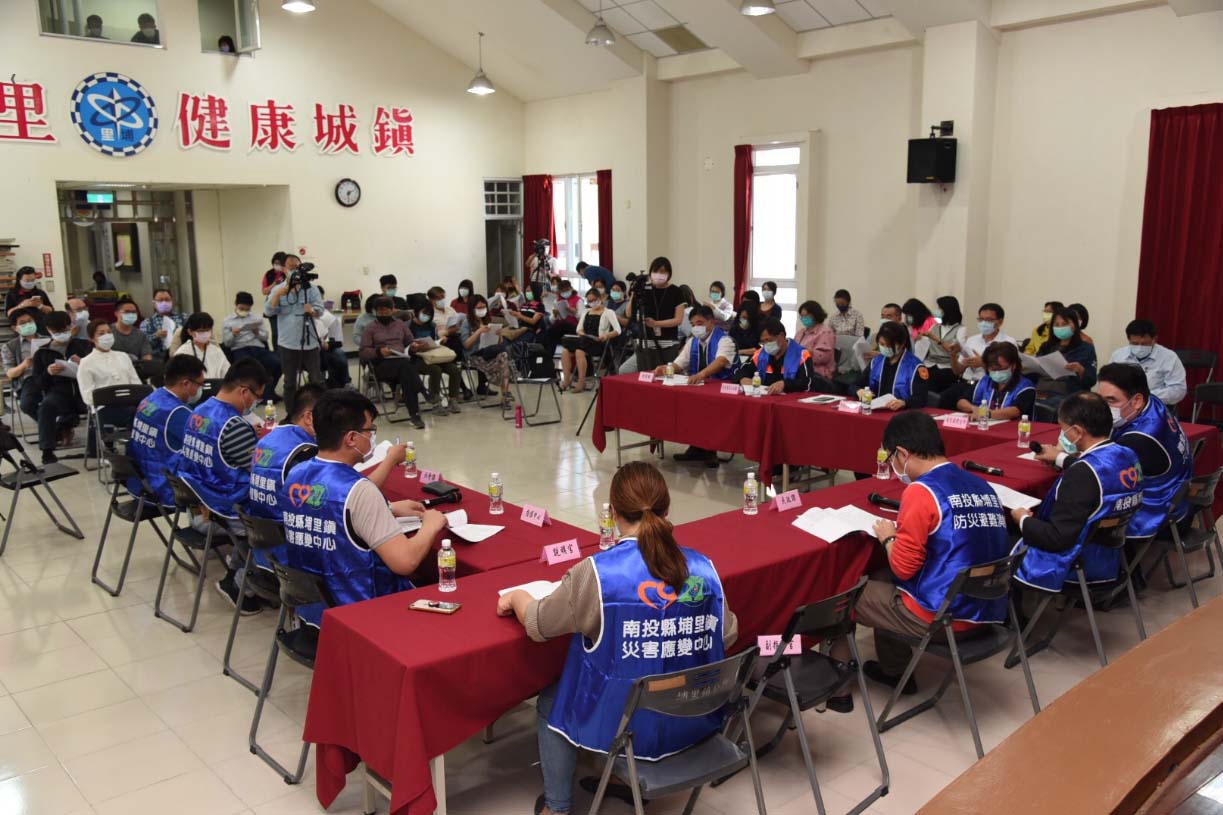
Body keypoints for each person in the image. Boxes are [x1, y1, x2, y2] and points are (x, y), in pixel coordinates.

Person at [497, 462, 737, 815]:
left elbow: (538, 624)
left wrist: (516, 597)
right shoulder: (702, 567)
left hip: (625, 723)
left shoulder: (599, 573)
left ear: (612, 512)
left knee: (552, 700)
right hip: (694, 712)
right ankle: (621, 778)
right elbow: (728, 634)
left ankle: (557, 808)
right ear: (667, 509)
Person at [827, 412, 1010, 704]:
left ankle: (839, 689)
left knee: (847, 592)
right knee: (880, 577)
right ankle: (895, 669)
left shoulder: (922, 491)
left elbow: (903, 567)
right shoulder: (980, 485)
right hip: (986, 609)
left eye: (891, 459)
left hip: (941, 618)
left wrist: (888, 536)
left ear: (902, 453)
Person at [279, 391, 446, 630]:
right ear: (352, 439)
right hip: (362, 615)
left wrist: (386, 508)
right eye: (370, 431)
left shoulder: (295, 473)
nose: (372, 437)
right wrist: (431, 524)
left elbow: (329, 511)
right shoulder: (359, 490)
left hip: (310, 609)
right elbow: (405, 562)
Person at [1036, 363, 1192, 544]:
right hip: (1174, 496)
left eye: (1111, 401)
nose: (1102, 407)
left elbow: (1098, 475)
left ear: (1137, 401)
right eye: (1100, 399)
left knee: (1069, 516)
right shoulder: (1152, 403)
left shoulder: (1139, 439)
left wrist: (1059, 458)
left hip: (1153, 511)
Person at [1011, 392, 1143, 596]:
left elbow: (1056, 538)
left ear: (1077, 432)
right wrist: (1060, 458)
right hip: (1109, 553)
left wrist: (1022, 520)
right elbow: (1101, 472)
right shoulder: (1127, 454)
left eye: (1063, 430)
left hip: (1077, 562)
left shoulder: (1081, 476)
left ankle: (1013, 619)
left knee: (1001, 538)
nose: (1061, 435)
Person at [173, 358, 270, 612]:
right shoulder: (234, 425)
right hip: (230, 504)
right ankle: (241, 584)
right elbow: (258, 473)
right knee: (281, 519)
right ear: (244, 392)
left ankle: (237, 571)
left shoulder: (199, 411)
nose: (255, 403)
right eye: (257, 397)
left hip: (206, 498)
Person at [246, 384, 325, 573]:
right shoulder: (304, 453)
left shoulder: (269, 437)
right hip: (291, 554)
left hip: (263, 543)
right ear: (309, 417)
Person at [655, 306, 737, 467]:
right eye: (692, 324)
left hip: (723, 389)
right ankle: (696, 446)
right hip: (699, 386)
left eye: (699, 323)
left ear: (711, 322)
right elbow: (680, 363)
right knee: (682, 402)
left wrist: (701, 374)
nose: (696, 328)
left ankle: (710, 449)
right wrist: (665, 369)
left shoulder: (725, 340)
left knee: (707, 406)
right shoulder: (692, 341)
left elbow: (720, 362)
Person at [127, 355, 206, 509]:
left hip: (140, 483)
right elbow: (207, 446)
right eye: (200, 385)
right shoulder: (177, 412)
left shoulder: (150, 399)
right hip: (165, 489)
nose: (200, 390)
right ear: (186, 383)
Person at [21, 311, 91, 464]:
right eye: (57, 331)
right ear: (49, 330)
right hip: (59, 392)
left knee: (98, 404)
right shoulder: (42, 353)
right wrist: (48, 372)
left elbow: (97, 370)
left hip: (83, 391)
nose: (61, 334)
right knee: (46, 407)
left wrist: (83, 363)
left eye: (64, 330)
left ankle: (95, 446)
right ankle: (47, 450)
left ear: (70, 327)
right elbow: (38, 383)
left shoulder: (83, 346)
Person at [265, 256, 324, 406]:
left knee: (317, 380)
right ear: (284, 269)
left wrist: (312, 311)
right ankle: (291, 414)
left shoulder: (311, 289)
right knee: (289, 382)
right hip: (287, 342)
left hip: (309, 341)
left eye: (297, 267)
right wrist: (278, 295)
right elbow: (269, 312)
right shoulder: (278, 289)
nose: (294, 271)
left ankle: (320, 410)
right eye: (290, 268)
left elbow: (320, 311)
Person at [359, 297, 427, 429]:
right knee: (406, 367)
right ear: (375, 312)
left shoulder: (400, 324)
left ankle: (415, 416)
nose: (383, 314)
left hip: (401, 363)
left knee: (406, 374)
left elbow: (409, 341)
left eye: (386, 311)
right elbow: (363, 352)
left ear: (392, 311)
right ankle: (423, 392)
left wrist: (414, 346)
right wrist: (379, 352)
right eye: (379, 311)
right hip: (381, 366)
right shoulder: (370, 328)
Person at [77, 320, 142, 455]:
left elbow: (136, 384)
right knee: (132, 415)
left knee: (144, 414)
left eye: (109, 332)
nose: (106, 336)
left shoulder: (123, 356)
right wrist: (109, 397)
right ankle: (130, 453)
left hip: (128, 404)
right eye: (101, 333)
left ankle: (137, 452)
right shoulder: (86, 362)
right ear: (91, 338)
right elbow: (88, 395)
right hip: (104, 408)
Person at [943, 303, 1017, 409]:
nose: (984, 323)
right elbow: (957, 371)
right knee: (944, 399)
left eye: (989, 320)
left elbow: (1010, 372)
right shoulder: (972, 340)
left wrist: (983, 364)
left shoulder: (1008, 342)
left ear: (1000, 322)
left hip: (988, 387)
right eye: (981, 319)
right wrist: (953, 355)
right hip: (966, 382)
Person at [626, 257, 686, 372]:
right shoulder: (645, 290)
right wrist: (634, 293)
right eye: (655, 271)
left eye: (663, 271)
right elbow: (629, 314)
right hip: (645, 342)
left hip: (668, 343)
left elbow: (678, 320)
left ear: (669, 273)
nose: (659, 274)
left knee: (666, 377)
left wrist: (656, 323)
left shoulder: (676, 291)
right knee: (645, 377)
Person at [1107, 319, 1187, 406]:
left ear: (1154, 339)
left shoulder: (1169, 357)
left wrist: (1146, 396)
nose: (1139, 347)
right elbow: (1108, 382)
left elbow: (1178, 389)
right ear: (1128, 339)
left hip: (1156, 405)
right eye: (1135, 343)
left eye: (1144, 344)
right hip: (1123, 405)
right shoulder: (1118, 355)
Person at [1034, 307, 1096, 415]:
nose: (1060, 327)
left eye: (1065, 324)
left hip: (1070, 398)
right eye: (1056, 325)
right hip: (1042, 393)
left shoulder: (1086, 348)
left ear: (1075, 326)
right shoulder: (1046, 347)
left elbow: (1091, 380)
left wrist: (1081, 371)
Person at [738, 318, 822, 394]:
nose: (766, 345)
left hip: (791, 402)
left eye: (768, 340)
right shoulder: (760, 354)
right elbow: (741, 370)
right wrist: (742, 378)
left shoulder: (801, 355)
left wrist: (785, 384)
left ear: (781, 336)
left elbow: (807, 383)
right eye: (763, 342)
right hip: (766, 400)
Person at [859, 321, 929, 410]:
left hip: (903, 415)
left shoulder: (916, 367)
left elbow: (921, 398)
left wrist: (904, 402)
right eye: (881, 344)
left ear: (902, 344)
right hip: (875, 411)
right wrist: (858, 391)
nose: (884, 348)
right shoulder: (876, 361)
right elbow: (856, 384)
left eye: (888, 345)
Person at [955, 342, 1035, 420]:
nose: (997, 372)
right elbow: (961, 402)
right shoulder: (985, 381)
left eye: (1001, 369)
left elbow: (1015, 411)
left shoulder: (1025, 386)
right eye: (993, 369)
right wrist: (973, 408)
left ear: (1013, 366)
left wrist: (985, 414)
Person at [224, 292, 282, 398]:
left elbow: (265, 337)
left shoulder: (256, 318)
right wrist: (233, 334)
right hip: (240, 348)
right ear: (236, 305)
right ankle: (251, 395)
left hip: (257, 347)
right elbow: (227, 343)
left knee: (278, 363)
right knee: (247, 368)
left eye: (247, 309)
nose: (244, 312)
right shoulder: (228, 321)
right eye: (242, 309)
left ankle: (268, 392)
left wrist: (257, 333)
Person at [406, 302, 462, 412]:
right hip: (416, 358)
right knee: (435, 370)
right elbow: (405, 344)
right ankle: (435, 403)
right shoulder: (408, 326)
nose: (426, 316)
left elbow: (435, 340)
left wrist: (441, 341)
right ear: (416, 312)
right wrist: (414, 346)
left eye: (429, 313)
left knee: (455, 369)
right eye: (424, 313)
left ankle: (453, 399)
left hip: (433, 355)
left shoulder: (431, 325)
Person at [460, 295, 514, 406]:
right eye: (479, 308)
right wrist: (479, 331)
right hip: (474, 355)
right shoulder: (466, 323)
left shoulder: (488, 320)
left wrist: (499, 335)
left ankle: (505, 395)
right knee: (503, 361)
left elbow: (498, 344)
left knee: (503, 356)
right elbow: (466, 344)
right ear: (472, 309)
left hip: (490, 352)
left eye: (484, 307)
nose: (482, 310)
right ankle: (505, 395)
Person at [923, 296, 969, 393]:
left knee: (936, 378)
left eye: (940, 308)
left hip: (947, 366)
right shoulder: (934, 326)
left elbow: (954, 350)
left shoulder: (960, 329)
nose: (937, 311)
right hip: (930, 363)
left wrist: (936, 339)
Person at [2, 312, 44, 415]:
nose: (28, 324)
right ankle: (55, 427)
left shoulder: (47, 339)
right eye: (23, 323)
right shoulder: (10, 346)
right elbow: (10, 373)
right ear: (15, 328)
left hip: (51, 375)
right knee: (27, 405)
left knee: (64, 400)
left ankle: (58, 426)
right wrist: (23, 365)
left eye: (30, 321)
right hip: (29, 378)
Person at [173, 313, 231, 380]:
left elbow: (227, 373)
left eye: (207, 330)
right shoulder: (183, 352)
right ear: (190, 332)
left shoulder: (216, 350)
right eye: (201, 331)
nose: (205, 333)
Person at [794, 300, 836, 381]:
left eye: (807, 316)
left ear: (815, 315)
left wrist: (805, 353)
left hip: (818, 374)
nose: (804, 318)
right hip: (800, 370)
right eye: (802, 316)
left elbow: (823, 357)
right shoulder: (801, 332)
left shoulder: (825, 332)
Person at [140, 288, 186, 358]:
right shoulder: (147, 323)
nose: (164, 303)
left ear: (172, 301)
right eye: (160, 300)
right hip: (159, 359)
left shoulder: (184, 317)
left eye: (167, 300)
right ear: (154, 303)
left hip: (182, 355)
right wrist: (155, 335)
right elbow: (143, 345)